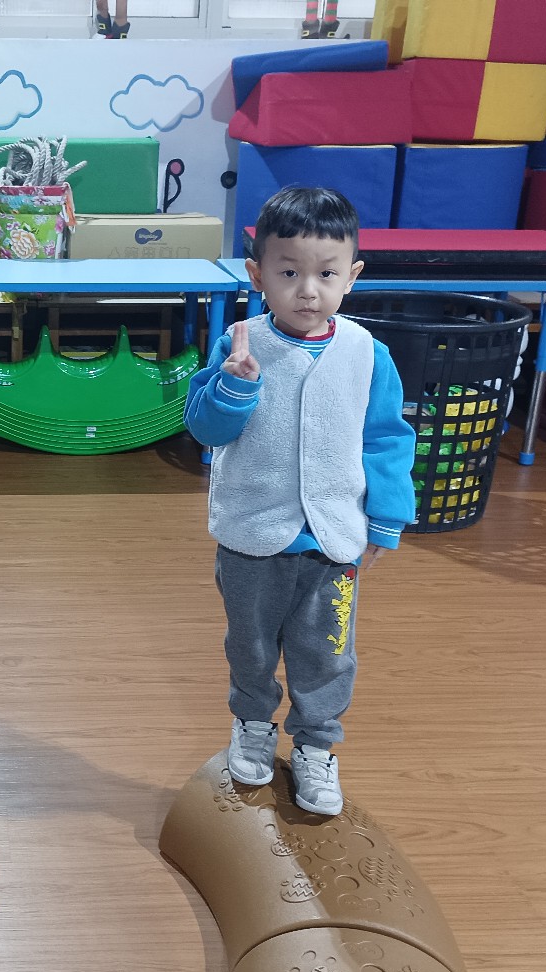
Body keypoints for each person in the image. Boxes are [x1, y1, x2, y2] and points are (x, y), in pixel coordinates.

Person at [183, 186, 416, 816]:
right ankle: (252, 724)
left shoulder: (368, 354)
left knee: (327, 653)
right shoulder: (239, 343)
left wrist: (386, 518)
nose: (308, 291)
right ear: (257, 275)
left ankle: (316, 744)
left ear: (352, 277)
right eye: (288, 274)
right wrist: (233, 388)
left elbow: (387, 438)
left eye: (326, 274)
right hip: (252, 535)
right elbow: (204, 428)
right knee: (251, 646)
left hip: (334, 541)